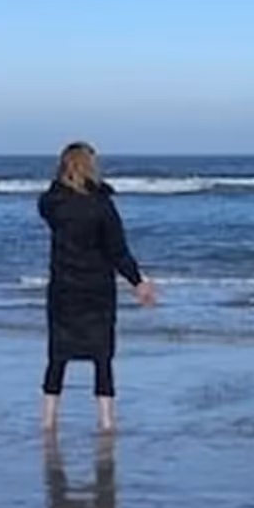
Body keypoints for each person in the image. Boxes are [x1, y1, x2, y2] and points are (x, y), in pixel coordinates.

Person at [39, 142, 156, 433]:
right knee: (102, 356)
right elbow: (117, 251)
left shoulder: (52, 204)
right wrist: (138, 281)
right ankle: (105, 420)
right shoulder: (101, 205)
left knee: (58, 355)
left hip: (63, 287)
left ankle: (48, 419)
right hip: (96, 288)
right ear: (90, 166)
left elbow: (51, 197)